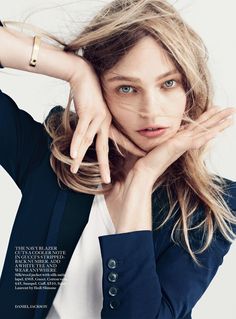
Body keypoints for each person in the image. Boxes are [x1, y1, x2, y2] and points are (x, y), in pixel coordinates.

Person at [0, 0, 235, 318]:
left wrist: (142, 180)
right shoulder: (53, 158)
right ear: (100, 91)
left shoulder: (210, 209)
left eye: (168, 84)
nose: (151, 110)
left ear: (189, 89)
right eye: (127, 88)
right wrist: (74, 70)